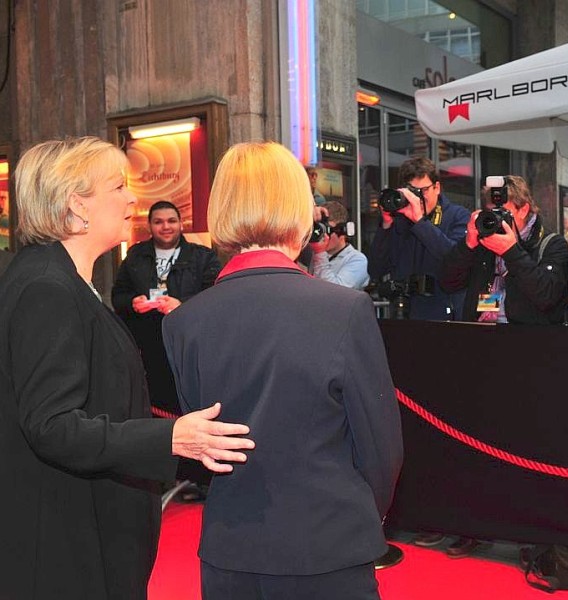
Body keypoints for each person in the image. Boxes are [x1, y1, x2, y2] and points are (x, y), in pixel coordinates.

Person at [0, 136, 254, 600]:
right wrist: (170, 437)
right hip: (63, 542)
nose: (131, 198)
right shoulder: (47, 289)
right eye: (117, 187)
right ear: (76, 205)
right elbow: (52, 426)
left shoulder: (57, 277)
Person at [162, 141, 403, 600]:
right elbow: (380, 448)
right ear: (299, 208)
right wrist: (357, 515)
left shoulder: (183, 323)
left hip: (231, 550)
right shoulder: (345, 309)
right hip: (328, 545)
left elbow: (207, 441)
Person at [112, 200, 221, 415]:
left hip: (189, 344)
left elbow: (215, 295)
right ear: (149, 226)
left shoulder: (202, 256)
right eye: (158, 222)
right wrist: (133, 302)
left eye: (171, 221)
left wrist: (182, 304)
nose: (165, 226)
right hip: (148, 346)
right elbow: (118, 296)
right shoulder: (135, 255)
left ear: (181, 224)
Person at [441, 175, 568, 325]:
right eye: (492, 213)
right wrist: (468, 244)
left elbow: (547, 297)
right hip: (482, 336)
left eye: (502, 213)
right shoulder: (483, 243)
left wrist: (511, 252)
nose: (497, 220)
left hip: (529, 341)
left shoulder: (552, 245)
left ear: (523, 210)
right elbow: (448, 282)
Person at [368, 156, 470, 320]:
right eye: (412, 192)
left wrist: (419, 222)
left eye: (423, 191)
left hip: (443, 316)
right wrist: (386, 224)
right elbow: (376, 269)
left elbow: (453, 259)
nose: (418, 198)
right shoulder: (398, 220)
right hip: (403, 314)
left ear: (437, 187)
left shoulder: (458, 216)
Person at [309, 200, 369, 290]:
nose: (322, 235)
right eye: (319, 229)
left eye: (327, 231)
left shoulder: (357, 260)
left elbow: (336, 291)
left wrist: (320, 253)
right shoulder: (308, 252)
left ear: (342, 231)